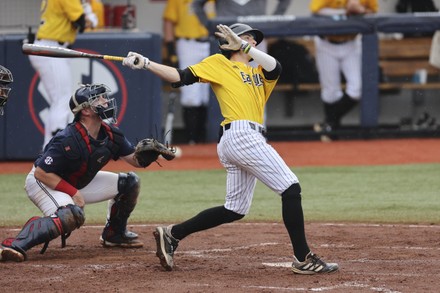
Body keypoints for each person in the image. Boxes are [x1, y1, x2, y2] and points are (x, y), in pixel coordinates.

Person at [122, 23, 339, 274]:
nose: (252, 43)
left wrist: (243, 44)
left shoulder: (260, 71)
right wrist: (147, 63)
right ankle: (304, 258)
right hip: (240, 135)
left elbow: (275, 66)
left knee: (234, 209)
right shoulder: (219, 63)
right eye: (246, 38)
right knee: (291, 188)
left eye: (252, 40)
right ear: (227, 43)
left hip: (243, 138)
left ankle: (172, 234)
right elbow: (180, 76)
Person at [0, 83, 154, 262]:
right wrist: (74, 193)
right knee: (70, 215)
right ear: (86, 111)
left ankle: (114, 234)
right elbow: (41, 173)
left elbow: (135, 160)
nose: (106, 101)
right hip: (44, 182)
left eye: (104, 97)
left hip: (74, 181)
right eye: (99, 98)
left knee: (129, 183)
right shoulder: (68, 138)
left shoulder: (111, 134)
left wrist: (149, 154)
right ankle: (12, 245)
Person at [29, 0, 98, 148]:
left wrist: (87, 13)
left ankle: (48, 148)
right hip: (51, 47)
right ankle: (56, 147)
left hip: (54, 47)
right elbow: (81, 21)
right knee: (62, 99)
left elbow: (80, 25)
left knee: (59, 100)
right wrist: (90, 16)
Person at [310, 0, 378, 141]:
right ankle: (332, 133)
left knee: (357, 89)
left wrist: (360, 10)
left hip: (351, 43)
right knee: (330, 92)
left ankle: (328, 124)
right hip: (327, 43)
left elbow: (374, 13)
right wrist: (345, 12)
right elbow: (315, 10)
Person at [162, 0, 215, 144]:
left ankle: (204, 136)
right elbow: (169, 22)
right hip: (188, 43)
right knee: (191, 91)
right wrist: (170, 49)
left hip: (212, 42)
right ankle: (192, 138)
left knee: (208, 92)